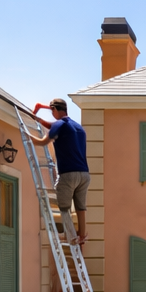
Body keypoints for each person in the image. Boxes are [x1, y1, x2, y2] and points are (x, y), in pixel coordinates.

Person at [31, 98, 90, 246]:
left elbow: (44, 141)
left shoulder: (59, 125)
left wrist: (27, 136)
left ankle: (71, 237)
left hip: (68, 174)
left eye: (52, 112)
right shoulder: (77, 127)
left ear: (55, 110)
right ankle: (82, 235)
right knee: (80, 207)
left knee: (63, 207)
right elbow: (54, 126)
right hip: (84, 174)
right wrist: (39, 120)